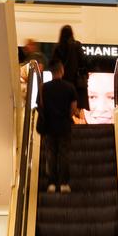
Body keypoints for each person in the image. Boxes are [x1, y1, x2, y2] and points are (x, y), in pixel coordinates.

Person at [41, 60, 77, 193]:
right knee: (64, 154)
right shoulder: (69, 87)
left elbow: (41, 106)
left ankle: (51, 183)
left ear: (51, 71)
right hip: (64, 126)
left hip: (49, 126)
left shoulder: (44, 87)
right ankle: (64, 184)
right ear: (62, 70)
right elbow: (73, 109)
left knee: (51, 154)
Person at [51, 25, 89, 111]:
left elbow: (54, 63)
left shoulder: (57, 47)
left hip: (62, 80)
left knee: (62, 103)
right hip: (76, 81)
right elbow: (83, 61)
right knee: (74, 102)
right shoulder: (77, 45)